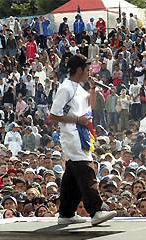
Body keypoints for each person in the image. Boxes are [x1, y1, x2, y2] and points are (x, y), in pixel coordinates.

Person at [50, 54, 116, 225]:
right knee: (86, 169)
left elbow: (90, 104)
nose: (89, 73)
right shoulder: (65, 88)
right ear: (79, 70)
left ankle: (66, 213)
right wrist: (77, 120)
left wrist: (93, 89)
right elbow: (54, 114)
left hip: (82, 133)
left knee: (73, 173)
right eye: (87, 70)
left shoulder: (79, 88)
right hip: (73, 135)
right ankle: (96, 209)